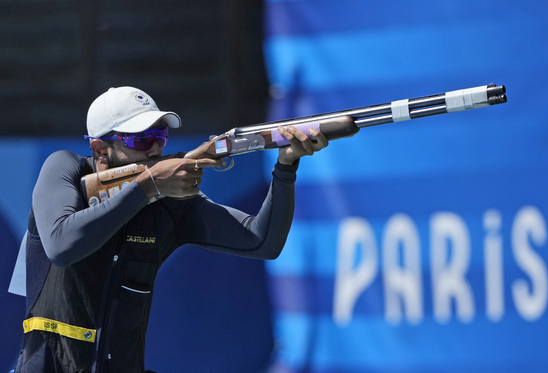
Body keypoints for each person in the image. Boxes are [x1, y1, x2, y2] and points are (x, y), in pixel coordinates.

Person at [13, 86, 328, 372]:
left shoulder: (170, 202)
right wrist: (147, 186)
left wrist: (285, 168)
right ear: (99, 150)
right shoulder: (65, 167)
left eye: (159, 137)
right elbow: (61, 246)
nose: (154, 150)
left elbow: (262, 241)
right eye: (140, 140)